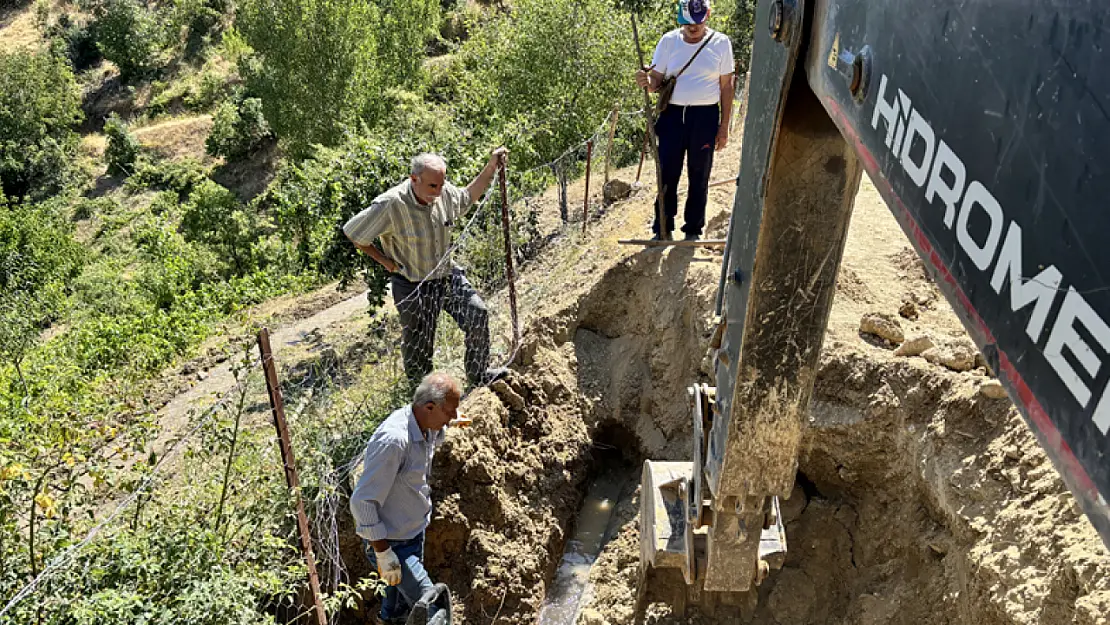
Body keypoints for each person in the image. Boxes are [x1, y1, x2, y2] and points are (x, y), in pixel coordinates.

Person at [344, 148, 509, 388]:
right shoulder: (391, 204)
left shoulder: (442, 192)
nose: (439, 191)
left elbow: (467, 196)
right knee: (419, 348)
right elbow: (354, 233)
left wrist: (491, 166)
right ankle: (424, 401)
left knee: (477, 314)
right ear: (414, 180)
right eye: (433, 186)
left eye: (442, 184)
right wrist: (385, 262)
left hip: (445, 276)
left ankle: (478, 374)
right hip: (412, 285)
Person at [350, 372, 461, 625]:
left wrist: (450, 420)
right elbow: (362, 501)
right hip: (393, 543)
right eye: (449, 411)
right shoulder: (394, 441)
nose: (452, 417)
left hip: (412, 531)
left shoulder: (424, 425)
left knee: (396, 592)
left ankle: (387, 620)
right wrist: (383, 552)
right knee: (432, 604)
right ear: (430, 407)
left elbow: (433, 437)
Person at [635, 0, 735, 242]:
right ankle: (662, 226)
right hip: (672, 116)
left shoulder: (721, 44)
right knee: (667, 171)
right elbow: (656, 80)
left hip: (705, 116)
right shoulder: (668, 41)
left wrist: (724, 126)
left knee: (699, 173)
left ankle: (693, 229)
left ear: (707, 16)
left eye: (698, 22)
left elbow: (727, 86)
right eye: (688, 23)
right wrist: (646, 82)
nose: (693, 27)